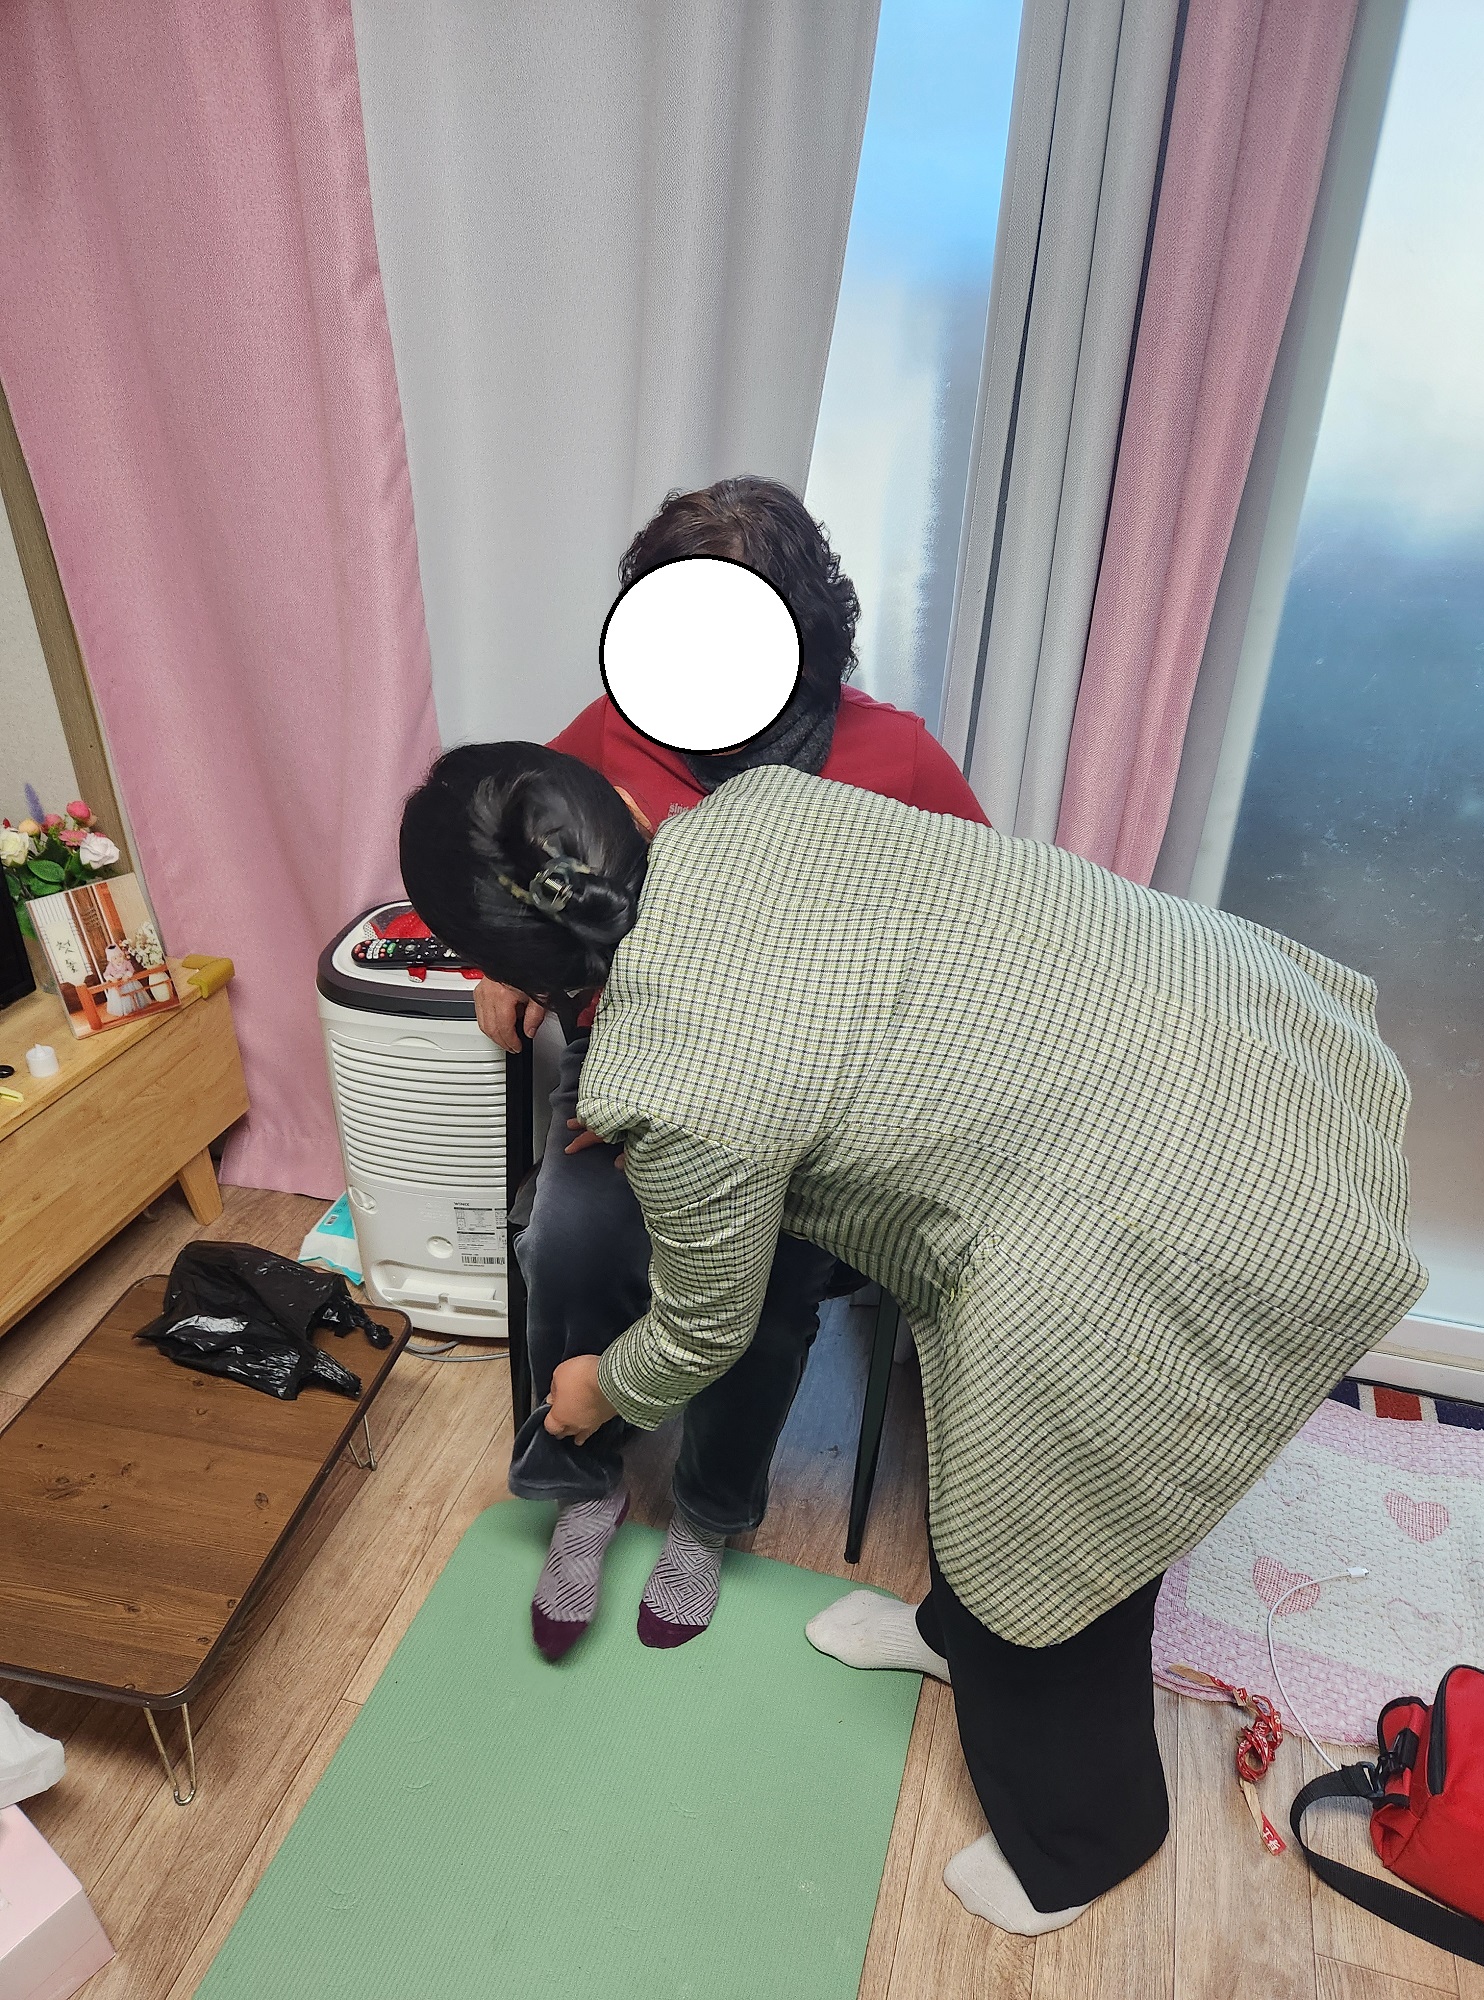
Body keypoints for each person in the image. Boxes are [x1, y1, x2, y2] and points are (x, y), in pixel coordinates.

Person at [400, 744, 1426, 1935]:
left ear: (500, 966)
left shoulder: (673, 1082)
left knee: (1061, 1520)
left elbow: (702, 1324)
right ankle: (954, 1633)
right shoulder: (762, 806)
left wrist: (595, 1390)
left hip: (1181, 1205)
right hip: (1243, 1035)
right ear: (625, 804)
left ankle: (1083, 1843)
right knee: (990, 1470)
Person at [474, 477, 988, 1664]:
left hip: (809, 1098)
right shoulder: (614, 729)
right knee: (570, 1240)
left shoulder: (894, 754)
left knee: (765, 1292)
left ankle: (709, 1513)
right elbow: (512, 848)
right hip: (635, 1059)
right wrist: (498, 953)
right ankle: (585, 1485)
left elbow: (978, 924)